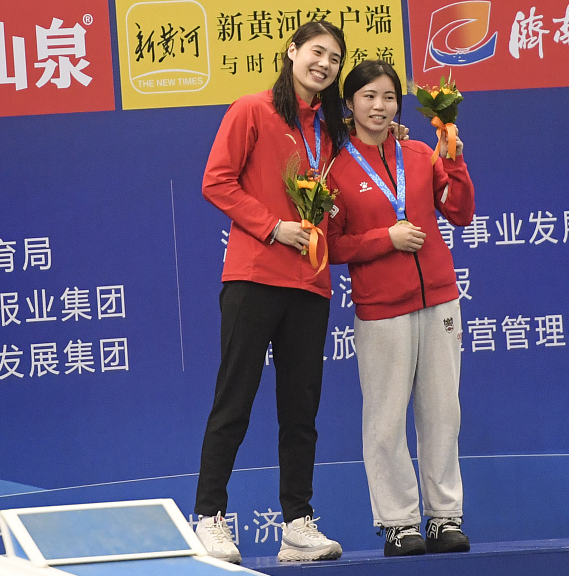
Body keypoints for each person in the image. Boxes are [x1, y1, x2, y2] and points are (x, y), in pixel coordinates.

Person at [193, 21, 349, 564]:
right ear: (292, 51)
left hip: (311, 283)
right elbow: (217, 181)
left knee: (301, 410)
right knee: (234, 400)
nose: (324, 64)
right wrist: (272, 227)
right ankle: (209, 518)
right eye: (316, 52)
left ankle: (297, 525)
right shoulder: (251, 110)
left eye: (334, 59)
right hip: (254, 277)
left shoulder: (331, 129)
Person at [326, 60, 475, 557]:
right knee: (386, 418)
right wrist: (384, 239)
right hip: (382, 308)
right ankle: (398, 522)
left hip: (440, 298)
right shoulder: (335, 167)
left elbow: (459, 212)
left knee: (443, 412)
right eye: (368, 96)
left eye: (388, 97)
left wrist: (454, 161)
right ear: (349, 104)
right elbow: (331, 244)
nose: (379, 106)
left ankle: (444, 516)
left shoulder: (418, 153)